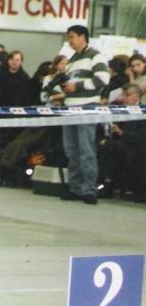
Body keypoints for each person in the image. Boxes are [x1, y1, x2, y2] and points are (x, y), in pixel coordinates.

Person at [60, 25, 110, 204]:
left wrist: (78, 86)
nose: (70, 41)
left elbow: (103, 79)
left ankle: (89, 189)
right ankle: (74, 188)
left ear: (83, 37)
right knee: (71, 150)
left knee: (86, 149)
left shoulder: (95, 56)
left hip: (87, 107)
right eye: (68, 37)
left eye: (72, 37)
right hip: (69, 108)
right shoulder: (72, 60)